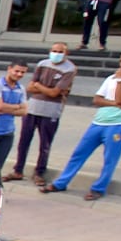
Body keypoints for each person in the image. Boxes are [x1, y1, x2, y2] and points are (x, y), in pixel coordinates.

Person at [43, 49, 121, 200]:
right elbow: (97, 99)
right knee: (79, 153)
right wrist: (115, 103)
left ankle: (99, 188)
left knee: (110, 159)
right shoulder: (111, 78)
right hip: (98, 122)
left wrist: (120, 82)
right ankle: (61, 183)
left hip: (118, 124)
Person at [12, 42, 76, 185]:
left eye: (60, 51)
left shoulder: (69, 69)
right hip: (33, 107)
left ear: (66, 53)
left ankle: (39, 172)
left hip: (51, 111)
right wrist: (45, 89)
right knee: (24, 141)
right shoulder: (42, 64)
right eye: (54, 50)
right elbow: (30, 87)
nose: (56, 54)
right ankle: (18, 170)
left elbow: (55, 93)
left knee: (45, 144)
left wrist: (39, 86)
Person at [0, 62, 29, 174]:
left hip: (8, 132)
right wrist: (17, 106)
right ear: (9, 69)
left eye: (22, 72)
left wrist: (4, 109)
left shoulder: (20, 88)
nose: (19, 74)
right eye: (17, 71)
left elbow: (24, 111)